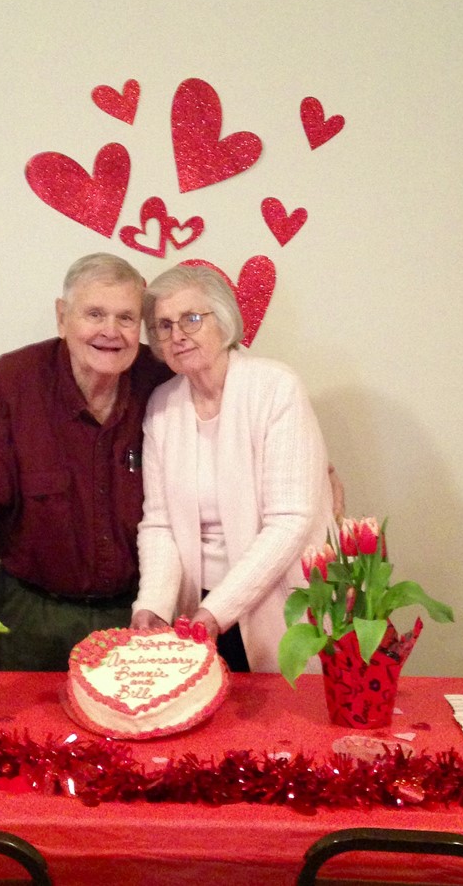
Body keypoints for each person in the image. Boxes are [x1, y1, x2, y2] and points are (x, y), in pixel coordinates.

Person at [0, 253, 169, 671]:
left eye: (126, 318)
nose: (111, 332)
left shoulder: (161, 381)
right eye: (94, 314)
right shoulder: (15, 383)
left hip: (140, 616)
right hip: (33, 616)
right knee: (27, 738)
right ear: (61, 316)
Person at [131, 264, 335, 673]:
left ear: (223, 320)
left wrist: (216, 610)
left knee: (282, 727)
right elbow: (159, 524)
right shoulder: (161, 404)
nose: (177, 335)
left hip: (276, 598)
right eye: (164, 325)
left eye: (191, 318)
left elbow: (290, 521)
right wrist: (153, 603)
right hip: (198, 611)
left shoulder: (276, 387)